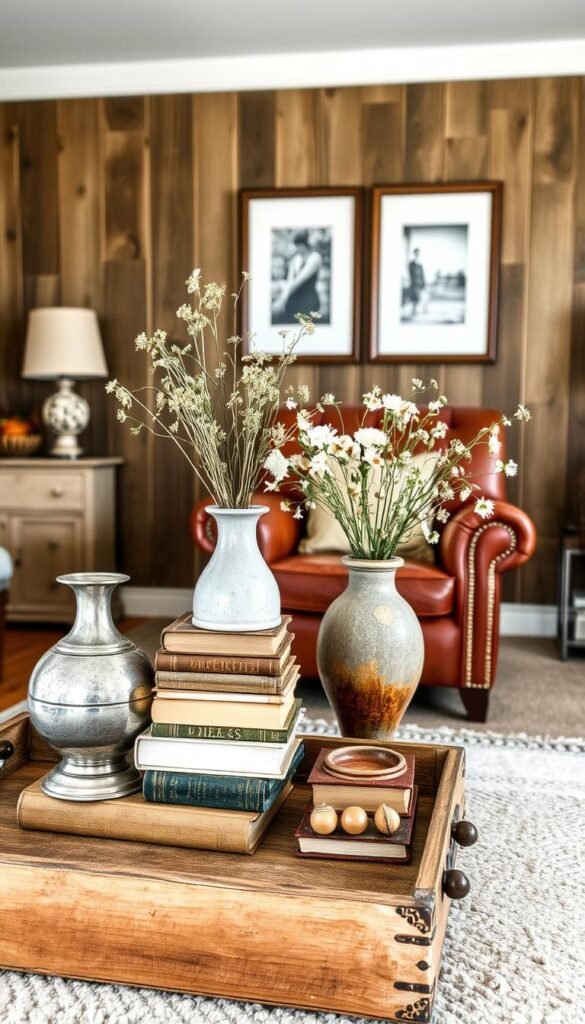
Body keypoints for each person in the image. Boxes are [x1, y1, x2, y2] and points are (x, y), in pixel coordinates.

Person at [272, 230, 323, 324]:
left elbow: (299, 280)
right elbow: (289, 283)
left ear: (302, 245)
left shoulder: (315, 257)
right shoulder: (295, 259)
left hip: (308, 301)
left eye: (296, 245)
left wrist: (281, 301)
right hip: (294, 300)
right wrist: (282, 300)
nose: (294, 248)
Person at [407, 248, 427, 319]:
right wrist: (414, 282)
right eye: (416, 253)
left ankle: (418, 311)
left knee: (421, 297)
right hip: (414, 284)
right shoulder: (411, 264)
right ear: (414, 253)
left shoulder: (420, 264)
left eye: (418, 253)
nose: (417, 254)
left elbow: (422, 275)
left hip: (420, 284)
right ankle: (414, 312)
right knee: (415, 298)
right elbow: (411, 274)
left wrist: (423, 283)